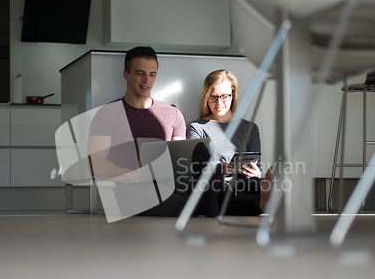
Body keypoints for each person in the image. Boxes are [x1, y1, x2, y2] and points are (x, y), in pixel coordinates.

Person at [88, 46, 216, 217]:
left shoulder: (173, 113)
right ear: (126, 75)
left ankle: (203, 198)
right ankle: (204, 203)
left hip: (171, 182)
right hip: (130, 190)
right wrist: (134, 174)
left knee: (188, 171)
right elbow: (95, 164)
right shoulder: (108, 113)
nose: (146, 80)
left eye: (152, 74)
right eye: (140, 73)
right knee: (164, 195)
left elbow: (180, 159)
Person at [187, 69, 268, 215]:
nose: (219, 103)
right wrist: (217, 170)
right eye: (213, 97)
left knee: (256, 184)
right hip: (216, 188)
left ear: (233, 95)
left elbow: (257, 165)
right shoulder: (197, 128)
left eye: (224, 97)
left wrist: (256, 172)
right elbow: (195, 168)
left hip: (246, 183)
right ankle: (263, 204)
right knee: (225, 192)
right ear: (206, 97)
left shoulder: (249, 128)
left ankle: (266, 198)